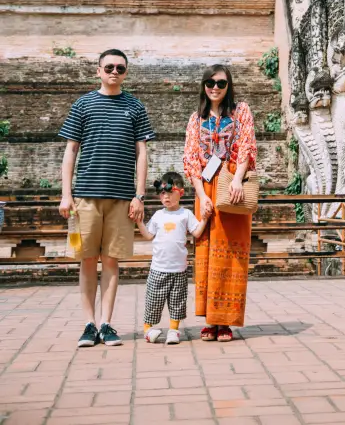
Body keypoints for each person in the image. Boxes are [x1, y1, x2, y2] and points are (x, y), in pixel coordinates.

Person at [58, 48, 155, 348]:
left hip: (122, 198)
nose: (114, 71)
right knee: (87, 260)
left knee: (111, 261)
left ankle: (106, 323)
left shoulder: (135, 107)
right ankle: (88, 323)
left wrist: (139, 195)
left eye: (120, 68)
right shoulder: (83, 105)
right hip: (85, 196)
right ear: (98, 71)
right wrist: (66, 194)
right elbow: (70, 151)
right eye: (109, 67)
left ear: (126, 73)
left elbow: (142, 154)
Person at [183, 64, 257, 342]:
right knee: (206, 254)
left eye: (221, 83)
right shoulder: (196, 119)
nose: (215, 87)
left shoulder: (241, 112)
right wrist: (201, 197)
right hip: (205, 186)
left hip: (231, 185)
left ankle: (224, 321)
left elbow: (247, 145)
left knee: (230, 254)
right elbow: (191, 158)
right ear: (204, 85)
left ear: (229, 86)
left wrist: (237, 179)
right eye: (210, 82)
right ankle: (210, 320)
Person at [136, 171, 210, 344]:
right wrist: (139, 222)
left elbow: (197, 232)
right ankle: (148, 329)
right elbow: (148, 235)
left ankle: (174, 330)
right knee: (153, 300)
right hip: (158, 268)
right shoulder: (158, 215)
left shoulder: (186, 214)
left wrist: (205, 219)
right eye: (162, 193)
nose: (165, 197)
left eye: (169, 193)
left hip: (179, 269)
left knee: (177, 302)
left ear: (180, 192)